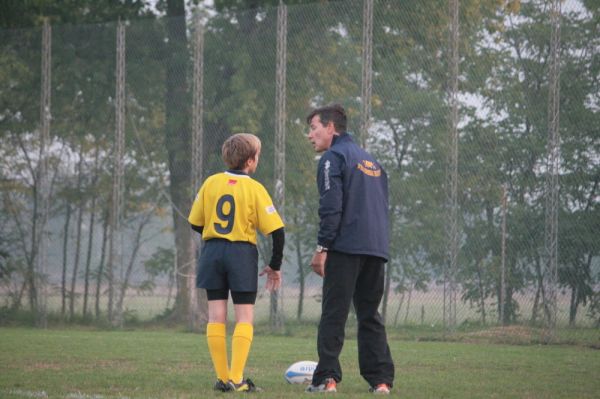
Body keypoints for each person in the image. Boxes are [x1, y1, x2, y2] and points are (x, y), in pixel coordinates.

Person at [304, 104, 395, 394]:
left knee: (335, 312)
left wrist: (322, 247)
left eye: (313, 128)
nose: (310, 135)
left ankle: (326, 379)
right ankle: (381, 381)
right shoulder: (372, 161)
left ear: (331, 127)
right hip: (375, 248)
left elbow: (331, 206)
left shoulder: (334, 157)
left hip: (346, 247)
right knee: (370, 314)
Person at [188, 133, 285, 392]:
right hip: (241, 253)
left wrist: (216, 241)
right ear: (251, 161)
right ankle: (237, 379)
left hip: (212, 252)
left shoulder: (210, 183)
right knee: (244, 316)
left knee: (216, 316)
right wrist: (275, 265)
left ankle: (222, 379)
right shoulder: (254, 188)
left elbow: (195, 222)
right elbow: (277, 231)